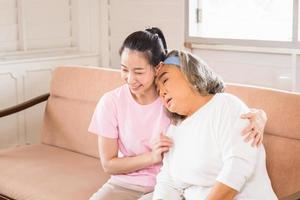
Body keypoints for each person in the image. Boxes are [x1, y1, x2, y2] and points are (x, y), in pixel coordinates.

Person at [88, 27, 267, 200]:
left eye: (139, 72)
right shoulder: (172, 117)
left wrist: (260, 115)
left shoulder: (183, 107)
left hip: (165, 187)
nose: (130, 79)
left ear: (156, 68)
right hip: (132, 184)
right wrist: (151, 157)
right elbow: (112, 164)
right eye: (124, 69)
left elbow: (214, 98)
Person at [153, 50, 277, 200]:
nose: (162, 92)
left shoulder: (226, 106)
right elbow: (168, 180)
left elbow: (237, 168)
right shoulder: (174, 129)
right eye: (158, 90)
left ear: (190, 74)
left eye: (165, 80)